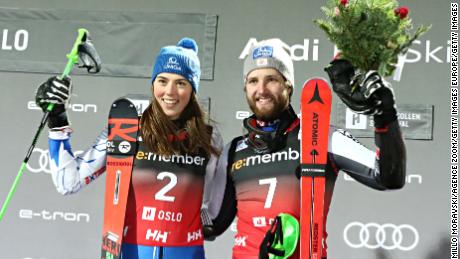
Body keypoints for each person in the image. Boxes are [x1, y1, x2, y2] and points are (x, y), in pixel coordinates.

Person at [205, 38, 406, 259]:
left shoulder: (319, 134)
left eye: (271, 79)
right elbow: (212, 223)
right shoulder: (234, 150)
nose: (261, 89)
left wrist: (385, 115)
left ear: (288, 85)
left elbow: (389, 177)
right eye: (253, 81)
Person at [35, 38, 223, 259]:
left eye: (181, 83)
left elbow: (212, 208)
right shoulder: (127, 128)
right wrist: (57, 121)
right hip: (134, 251)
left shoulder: (209, 137)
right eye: (162, 80)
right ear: (153, 84)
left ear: (193, 89)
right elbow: (68, 182)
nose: (169, 91)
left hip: (186, 252)